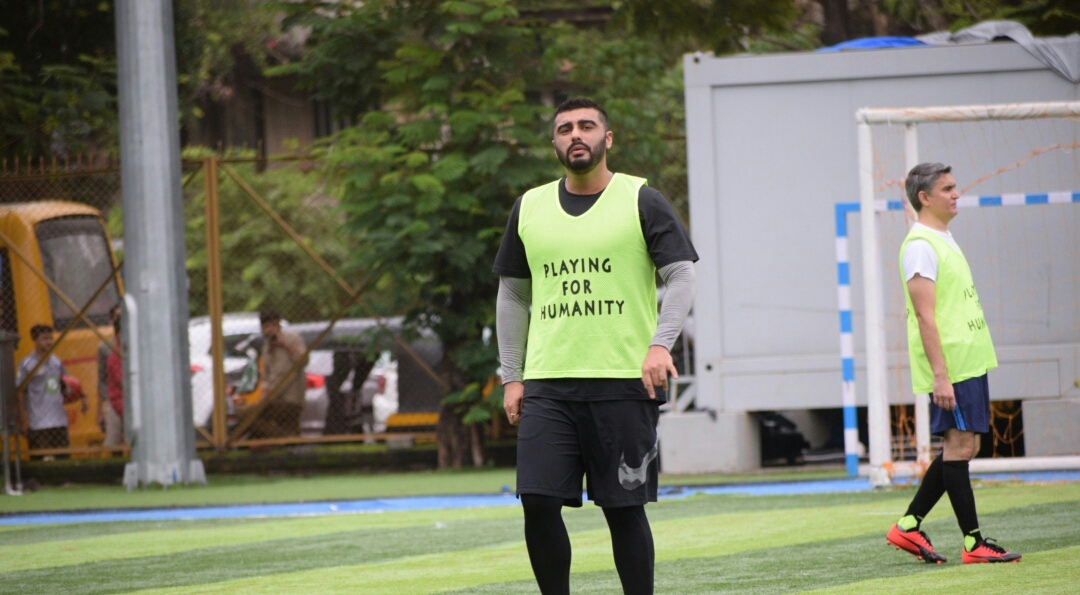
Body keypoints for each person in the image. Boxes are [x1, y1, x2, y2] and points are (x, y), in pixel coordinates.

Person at [494, 97, 698, 595]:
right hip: (547, 385)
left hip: (624, 381)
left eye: (587, 126)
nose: (575, 134)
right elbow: (514, 294)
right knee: (537, 502)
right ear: (555, 144)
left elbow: (681, 275)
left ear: (607, 139)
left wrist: (659, 346)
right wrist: (512, 375)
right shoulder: (530, 207)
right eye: (565, 128)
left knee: (622, 509)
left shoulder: (641, 199)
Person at [885, 163, 1021, 564]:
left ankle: (908, 526)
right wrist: (940, 376)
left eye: (955, 186)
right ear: (924, 198)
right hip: (951, 367)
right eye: (947, 188)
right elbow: (925, 316)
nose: (956, 193)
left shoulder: (943, 237)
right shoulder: (921, 245)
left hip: (969, 360)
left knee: (967, 445)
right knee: (960, 445)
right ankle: (973, 544)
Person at [17, 324, 84, 458]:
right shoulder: (27, 364)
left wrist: (81, 396)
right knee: (40, 459)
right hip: (39, 422)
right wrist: (23, 419)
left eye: (50, 338)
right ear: (35, 340)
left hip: (58, 420)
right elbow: (20, 391)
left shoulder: (55, 361)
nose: (49, 342)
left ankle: (64, 479)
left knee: (62, 457)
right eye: (44, 338)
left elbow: (68, 382)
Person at [245, 309, 309, 438]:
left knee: (245, 414)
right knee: (250, 415)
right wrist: (264, 394)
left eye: (272, 326)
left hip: (290, 398)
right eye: (266, 327)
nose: (269, 330)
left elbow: (304, 360)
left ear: (278, 325)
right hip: (273, 397)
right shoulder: (267, 346)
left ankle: (285, 439)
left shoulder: (292, 338)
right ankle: (287, 440)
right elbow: (266, 375)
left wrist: (285, 344)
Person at [97, 304, 124, 448]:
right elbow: (101, 380)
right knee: (113, 441)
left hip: (132, 399)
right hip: (114, 399)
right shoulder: (107, 348)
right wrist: (99, 410)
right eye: (117, 316)